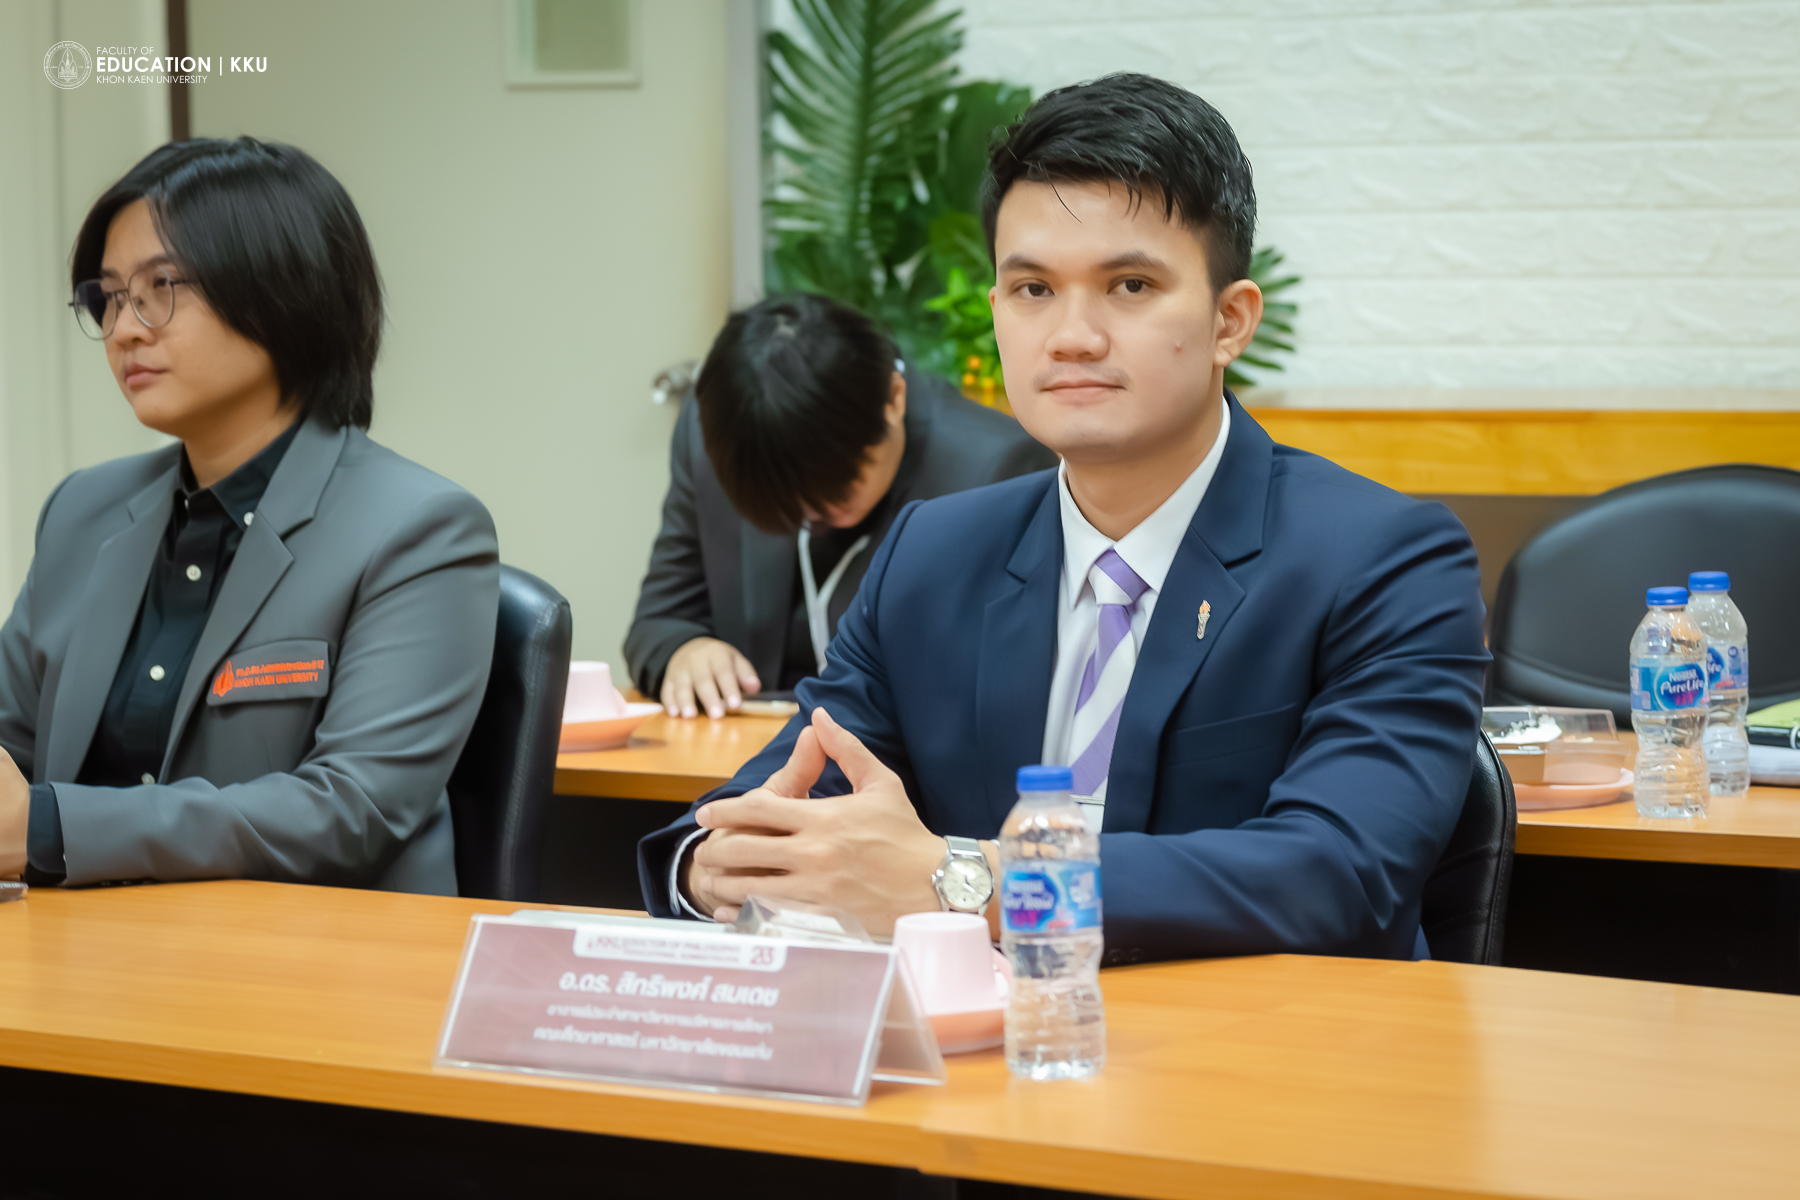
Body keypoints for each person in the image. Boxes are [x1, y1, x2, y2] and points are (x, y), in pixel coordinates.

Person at [638, 74, 1490, 963]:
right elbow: (768, 798)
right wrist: (711, 865)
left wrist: (970, 883)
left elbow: (1340, 875)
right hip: (977, 1039)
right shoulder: (932, 554)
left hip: (1268, 1038)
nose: (1072, 335)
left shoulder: (1382, 559)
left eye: (1129, 284)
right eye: (1033, 290)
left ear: (1230, 322)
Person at [0, 138, 498, 893]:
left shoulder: (421, 529)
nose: (124, 328)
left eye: (161, 286)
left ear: (281, 291)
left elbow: (350, 809)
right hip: (79, 948)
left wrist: (50, 828)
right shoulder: (82, 510)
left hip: (306, 955)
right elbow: (11, 743)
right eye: (110, 296)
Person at [624, 293, 1057, 719]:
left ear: (894, 399)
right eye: (788, 505)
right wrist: (685, 650)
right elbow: (660, 620)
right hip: (741, 747)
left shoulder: (996, 473)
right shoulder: (725, 436)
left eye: (838, 491)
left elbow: (1008, 688)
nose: (811, 517)